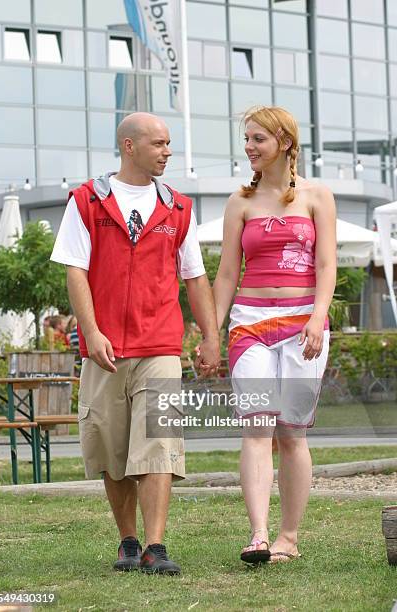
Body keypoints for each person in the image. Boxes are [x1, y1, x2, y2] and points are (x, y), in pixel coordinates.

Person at [51, 112, 220, 575]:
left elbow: (195, 276)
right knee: (113, 448)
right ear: (130, 146)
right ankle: (128, 541)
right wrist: (93, 332)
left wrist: (209, 335)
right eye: (160, 144)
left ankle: (155, 546)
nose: (167, 151)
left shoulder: (179, 208)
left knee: (159, 441)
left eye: (169, 144)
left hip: (160, 344)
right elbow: (75, 271)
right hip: (103, 350)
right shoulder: (87, 201)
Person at [213, 106, 336, 564]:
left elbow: (326, 265)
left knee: (292, 433)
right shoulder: (239, 203)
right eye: (246, 139)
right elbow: (226, 273)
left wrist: (317, 318)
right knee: (256, 427)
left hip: (303, 320)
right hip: (250, 322)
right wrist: (212, 331)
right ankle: (259, 535)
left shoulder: (317, 197)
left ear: (284, 141)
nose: (249, 147)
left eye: (258, 139)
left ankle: (289, 536)